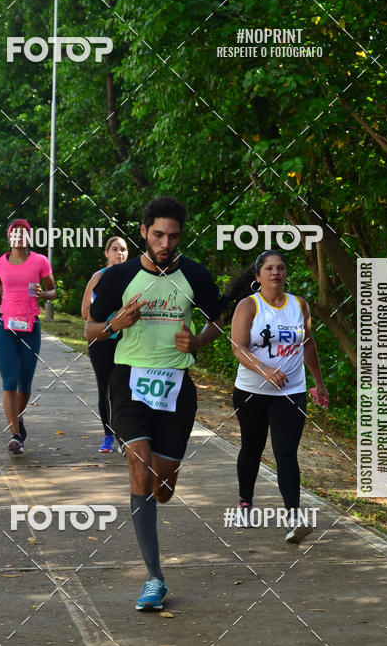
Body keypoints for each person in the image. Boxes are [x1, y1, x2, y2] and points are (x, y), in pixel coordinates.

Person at [86, 196, 226, 611]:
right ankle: (154, 577)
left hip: (176, 387)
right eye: (158, 234)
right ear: (144, 231)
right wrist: (115, 324)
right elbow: (91, 329)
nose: (166, 243)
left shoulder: (195, 275)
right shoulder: (119, 277)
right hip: (129, 380)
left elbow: (220, 316)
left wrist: (198, 341)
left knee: (162, 488)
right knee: (139, 464)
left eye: (174, 236)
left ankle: (160, 496)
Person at [230, 250, 329, 543]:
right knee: (252, 447)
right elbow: (238, 347)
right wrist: (264, 369)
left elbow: (308, 344)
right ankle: (245, 503)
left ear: (285, 273)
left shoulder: (299, 305)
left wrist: (319, 383)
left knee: (286, 451)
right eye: (269, 268)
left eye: (281, 267)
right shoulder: (249, 306)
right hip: (251, 391)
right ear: (258, 276)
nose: (276, 272)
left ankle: (293, 517)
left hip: (292, 391)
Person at [0, 219, 56, 454]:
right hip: (5, 325)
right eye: (14, 233)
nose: (18, 237)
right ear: (9, 238)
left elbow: (54, 291)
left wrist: (44, 293)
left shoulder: (40, 261)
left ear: (29, 237)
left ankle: (19, 419)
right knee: (9, 381)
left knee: (25, 385)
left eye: (23, 233)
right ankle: (15, 434)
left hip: (30, 326)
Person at [81, 236, 129, 452]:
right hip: (100, 340)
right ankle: (109, 435)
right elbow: (84, 313)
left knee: (122, 389)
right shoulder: (98, 277)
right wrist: (110, 318)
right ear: (107, 253)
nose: (120, 253)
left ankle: (125, 436)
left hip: (125, 340)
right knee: (105, 387)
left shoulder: (132, 276)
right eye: (115, 249)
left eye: (124, 249)